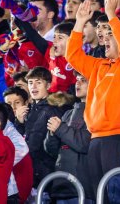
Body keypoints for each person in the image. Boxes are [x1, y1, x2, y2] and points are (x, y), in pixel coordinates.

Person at [65, 0, 120, 202]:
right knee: (100, 196)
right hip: (96, 138)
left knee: (117, 193)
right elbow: (72, 55)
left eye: (111, 35)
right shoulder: (99, 66)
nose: (105, 40)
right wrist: (80, 22)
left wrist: (111, 14)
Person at [44, 72, 93, 203]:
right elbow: (52, 150)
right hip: (62, 186)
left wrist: (60, 129)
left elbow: (84, 143)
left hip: (83, 188)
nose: (78, 82)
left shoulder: (97, 111)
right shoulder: (68, 113)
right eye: (77, 80)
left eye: (83, 80)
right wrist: (52, 133)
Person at [14, 66, 61, 199]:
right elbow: (20, 141)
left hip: (44, 177)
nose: (33, 86)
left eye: (38, 82)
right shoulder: (28, 110)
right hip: (29, 174)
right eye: (30, 82)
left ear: (48, 85)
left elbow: (51, 147)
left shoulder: (53, 110)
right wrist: (19, 122)